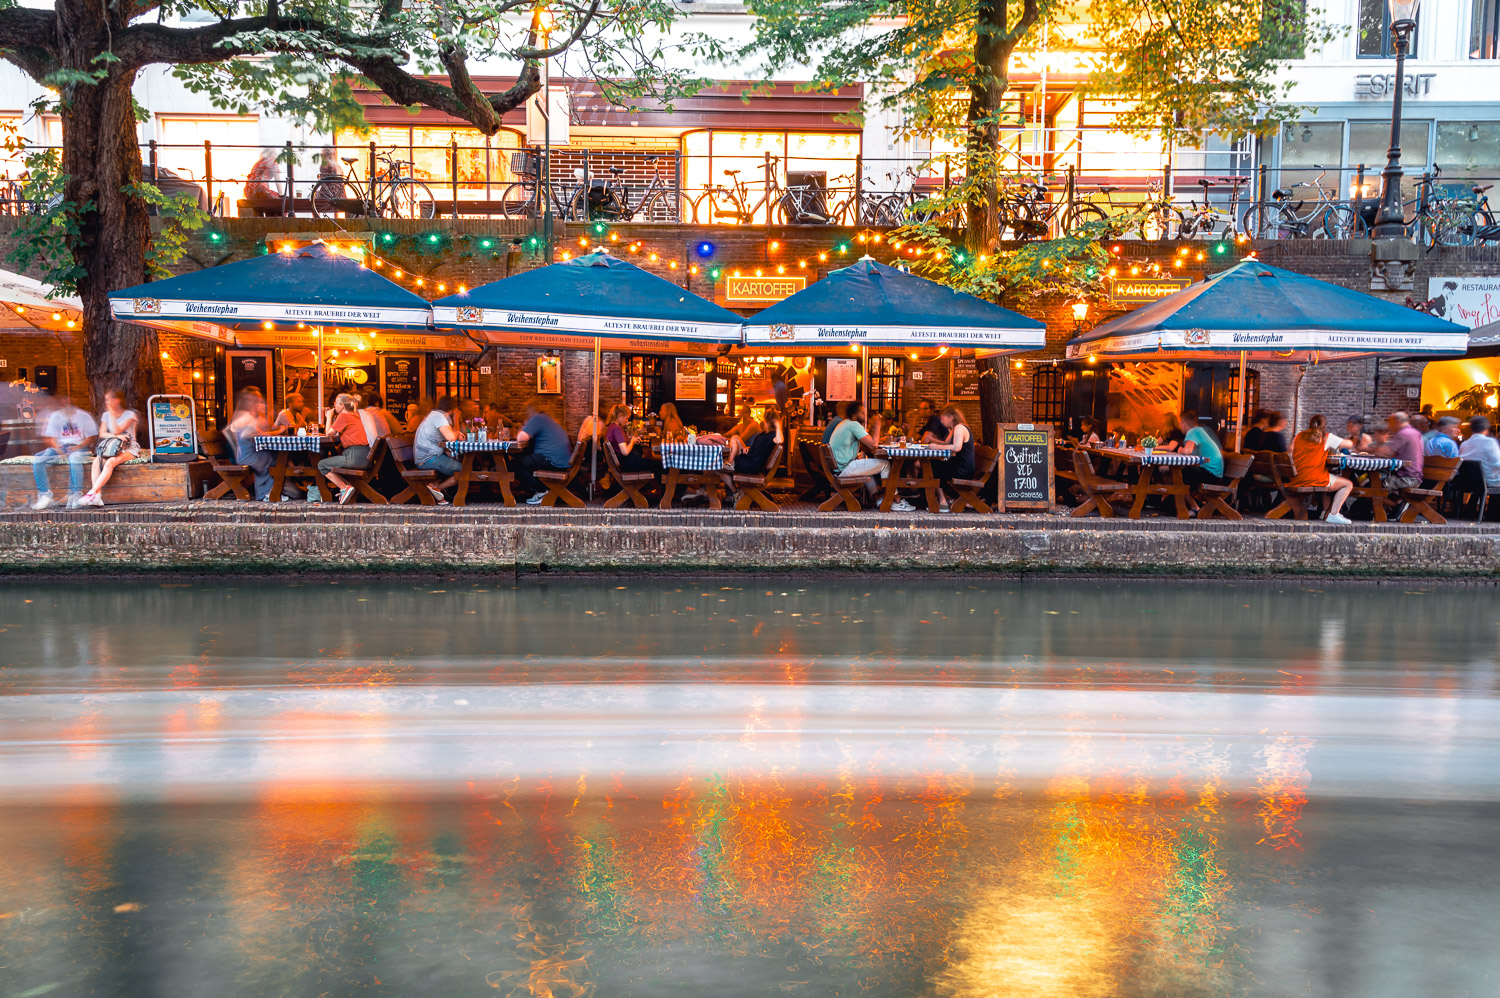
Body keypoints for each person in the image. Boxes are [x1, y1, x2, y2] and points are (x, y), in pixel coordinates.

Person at [828, 401, 905, 508]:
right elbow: (873, 444)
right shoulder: (853, 425)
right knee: (885, 465)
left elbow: (867, 444)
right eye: (862, 413)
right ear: (854, 414)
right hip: (844, 469)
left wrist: (873, 428)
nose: (864, 416)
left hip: (838, 468)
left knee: (867, 467)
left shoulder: (844, 423)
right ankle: (895, 500)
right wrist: (878, 425)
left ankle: (877, 497)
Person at [29, 393, 97, 510]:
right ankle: (45, 494)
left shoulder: (84, 416)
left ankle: (77, 493)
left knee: (74, 458)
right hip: (61, 447)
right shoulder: (55, 416)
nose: (66, 403)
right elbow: (52, 438)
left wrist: (78, 446)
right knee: (38, 459)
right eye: (64, 401)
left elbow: (91, 437)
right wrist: (58, 449)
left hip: (80, 447)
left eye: (68, 400)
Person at [74, 391, 141, 508]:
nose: (107, 403)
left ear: (117, 400)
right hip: (112, 448)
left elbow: (116, 430)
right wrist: (115, 436)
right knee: (96, 462)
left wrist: (112, 415)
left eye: (109, 399)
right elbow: (102, 433)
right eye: (106, 400)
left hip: (129, 447)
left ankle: (91, 493)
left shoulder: (130, 415)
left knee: (110, 462)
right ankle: (97, 496)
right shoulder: (106, 415)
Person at [1290, 414, 1355, 525]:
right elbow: (1349, 444)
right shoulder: (1326, 437)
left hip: (1295, 477)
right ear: (1324, 425)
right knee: (1348, 484)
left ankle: (1325, 512)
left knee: (1329, 476)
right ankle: (1334, 514)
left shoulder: (1299, 435)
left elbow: (1290, 450)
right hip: (1313, 477)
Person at [224, 389, 280, 501]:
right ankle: (266, 494)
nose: (262, 404)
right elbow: (253, 434)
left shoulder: (250, 417)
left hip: (246, 454)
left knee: (273, 456)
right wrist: (278, 431)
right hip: (246, 456)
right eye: (259, 401)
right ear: (251, 403)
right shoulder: (246, 417)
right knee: (271, 459)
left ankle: (271, 491)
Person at [515, 400, 573, 504]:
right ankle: (537, 490)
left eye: (526, 411)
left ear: (531, 411)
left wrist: (523, 426)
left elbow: (521, 438)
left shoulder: (538, 418)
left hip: (552, 460)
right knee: (523, 460)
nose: (525, 414)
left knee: (514, 465)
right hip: (561, 460)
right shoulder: (549, 420)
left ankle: (540, 491)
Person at [319, 393, 372, 504]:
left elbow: (329, 433)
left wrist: (328, 417)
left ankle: (344, 488)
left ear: (342, 405)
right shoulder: (355, 415)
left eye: (335, 404)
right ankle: (347, 488)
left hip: (354, 457)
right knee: (330, 463)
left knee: (322, 465)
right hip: (365, 457)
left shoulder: (343, 416)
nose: (334, 406)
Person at [413, 395, 461, 503]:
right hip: (428, 459)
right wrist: (457, 432)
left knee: (459, 463)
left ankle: (435, 487)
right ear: (452, 408)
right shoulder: (439, 417)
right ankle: (437, 488)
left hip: (426, 457)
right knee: (464, 470)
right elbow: (451, 438)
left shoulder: (435, 415)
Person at [929, 406, 975, 512]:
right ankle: (943, 498)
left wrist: (936, 447)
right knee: (935, 464)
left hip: (963, 469)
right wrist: (934, 441)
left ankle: (942, 501)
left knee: (933, 467)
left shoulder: (960, 428)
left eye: (943, 418)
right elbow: (946, 443)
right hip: (960, 465)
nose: (941, 421)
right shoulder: (955, 428)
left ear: (951, 417)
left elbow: (956, 447)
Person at [1375, 411, 1424, 494]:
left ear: (1397, 422)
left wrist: (1373, 450)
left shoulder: (1403, 434)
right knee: (1375, 482)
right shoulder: (1415, 432)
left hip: (1407, 478)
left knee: (1374, 486)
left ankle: (1394, 505)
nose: (1389, 427)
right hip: (1414, 476)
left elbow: (1386, 452)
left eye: (1390, 423)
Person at [605, 404, 658, 473]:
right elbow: (625, 452)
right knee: (659, 465)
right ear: (621, 415)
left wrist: (632, 441)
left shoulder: (610, 427)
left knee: (654, 463)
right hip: (628, 465)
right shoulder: (617, 429)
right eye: (626, 418)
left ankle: (649, 484)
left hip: (623, 463)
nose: (627, 421)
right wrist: (632, 441)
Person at [1178, 411, 1224, 489]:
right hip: (1215, 473)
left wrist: (1180, 450)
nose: (1179, 426)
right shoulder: (1199, 431)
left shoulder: (1193, 431)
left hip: (1211, 474)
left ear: (1184, 424)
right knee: (1180, 473)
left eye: (1180, 423)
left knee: (1179, 475)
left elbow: (1187, 451)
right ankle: (1182, 499)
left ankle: (1179, 500)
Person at [1459, 415, 1500, 497]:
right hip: (1488, 482)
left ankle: (1474, 508)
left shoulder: (1464, 444)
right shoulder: (1489, 442)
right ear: (1487, 428)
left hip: (1468, 482)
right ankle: (1493, 509)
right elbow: (1497, 464)